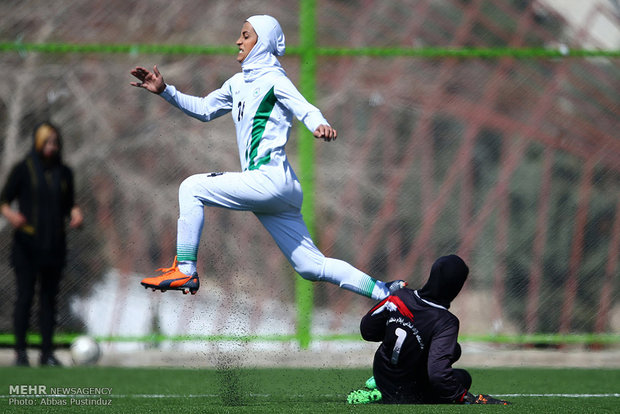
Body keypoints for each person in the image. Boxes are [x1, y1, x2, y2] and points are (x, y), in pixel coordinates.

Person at [129, 15, 405, 300]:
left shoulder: (274, 80)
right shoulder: (237, 83)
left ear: (264, 43)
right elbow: (204, 109)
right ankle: (385, 292)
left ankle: (186, 268)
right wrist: (165, 91)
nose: (239, 40)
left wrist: (318, 124)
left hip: (268, 179)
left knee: (191, 187)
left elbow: (306, 108)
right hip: (280, 189)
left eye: (246, 36)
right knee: (310, 266)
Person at [349, 254, 510, 405]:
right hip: (408, 392)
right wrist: (465, 396)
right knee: (463, 377)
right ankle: (387, 394)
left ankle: (380, 387)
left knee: (454, 350)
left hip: (382, 374)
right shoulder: (446, 321)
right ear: (456, 287)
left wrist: (398, 327)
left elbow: (367, 330)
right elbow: (438, 375)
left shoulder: (400, 296)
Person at [1, 121, 84, 366]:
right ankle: (20, 352)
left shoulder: (64, 172)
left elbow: (70, 203)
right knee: (25, 296)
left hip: (54, 244)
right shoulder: (24, 169)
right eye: (47, 142)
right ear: (38, 143)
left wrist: (76, 213)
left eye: (55, 143)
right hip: (27, 244)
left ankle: (46, 353)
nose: (52, 147)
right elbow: (4, 200)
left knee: (49, 299)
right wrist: (12, 216)